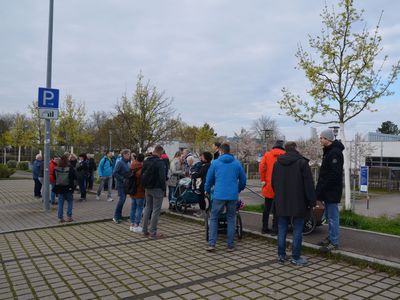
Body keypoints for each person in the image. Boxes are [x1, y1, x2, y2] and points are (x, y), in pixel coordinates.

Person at [272, 142, 316, 266]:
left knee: (282, 228)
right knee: (297, 229)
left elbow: (273, 183)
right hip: (298, 201)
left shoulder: (277, 163)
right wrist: (312, 201)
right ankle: (295, 257)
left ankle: (281, 255)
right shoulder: (302, 163)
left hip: (281, 201)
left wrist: (279, 195)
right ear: (296, 149)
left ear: (285, 150)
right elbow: (309, 185)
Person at [205, 143, 246, 252]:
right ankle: (230, 245)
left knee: (214, 217)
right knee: (231, 218)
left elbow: (209, 179)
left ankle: (212, 244)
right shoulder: (237, 164)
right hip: (232, 195)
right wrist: (238, 189)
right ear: (229, 151)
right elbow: (243, 180)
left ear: (221, 151)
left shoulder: (215, 163)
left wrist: (207, 190)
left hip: (219, 194)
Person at [316, 129, 344, 253]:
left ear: (328, 139)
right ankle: (331, 237)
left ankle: (334, 242)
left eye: (322, 138)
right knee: (328, 216)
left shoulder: (335, 153)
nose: (320, 140)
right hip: (327, 190)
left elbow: (334, 174)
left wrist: (323, 188)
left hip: (332, 191)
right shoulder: (329, 152)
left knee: (333, 217)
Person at [259, 140, 285, 235]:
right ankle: (275, 229)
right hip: (280, 186)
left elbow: (262, 167)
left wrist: (263, 180)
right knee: (277, 209)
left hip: (269, 185)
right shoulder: (285, 155)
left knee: (267, 208)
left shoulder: (267, 155)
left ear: (274, 146)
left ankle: (264, 228)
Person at [141, 145, 167, 239]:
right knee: (156, 210)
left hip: (148, 187)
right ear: (160, 152)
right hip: (157, 188)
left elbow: (142, 173)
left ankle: (144, 231)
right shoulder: (160, 162)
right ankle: (153, 232)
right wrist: (164, 189)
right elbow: (162, 177)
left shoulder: (147, 160)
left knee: (148, 208)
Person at [53, 154, 77, 223]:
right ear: (67, 160)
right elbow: (74, 177)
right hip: (68, 187)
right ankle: (69, 217)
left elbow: (54, 177)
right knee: (70, 202)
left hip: (60, 187)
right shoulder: (70, 167)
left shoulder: (57, 167)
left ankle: (60, 218)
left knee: (60, 203)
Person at [112, 149, 131, 224]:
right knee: (122, 200)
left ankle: (119, 216)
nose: (129, 156)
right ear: (124, 154)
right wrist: (122, 179)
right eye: (128, 154)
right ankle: (116, 217)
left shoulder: (127, 163)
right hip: (121, 184)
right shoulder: (120, 162)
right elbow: (115, 173)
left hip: (126, 185)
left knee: (123, 200)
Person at [192, 151, 213, 217]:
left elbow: (199, 174)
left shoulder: (205, 166)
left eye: (202, 156)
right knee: (208, 199)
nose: (201, 157)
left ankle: (203, 213)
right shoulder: (210, 165)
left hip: (203, 184)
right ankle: (207, 212)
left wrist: (193, 175)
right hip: (207, 184)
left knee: (201, 198)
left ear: (205, 158)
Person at [129, 153, 145, 233]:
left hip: (132, 190)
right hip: (139, 191)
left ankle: (131, 224)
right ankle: (136, 225)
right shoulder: (141, 168)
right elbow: (142, 181)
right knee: (139, 208)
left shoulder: (132, 165)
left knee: (133, 207)